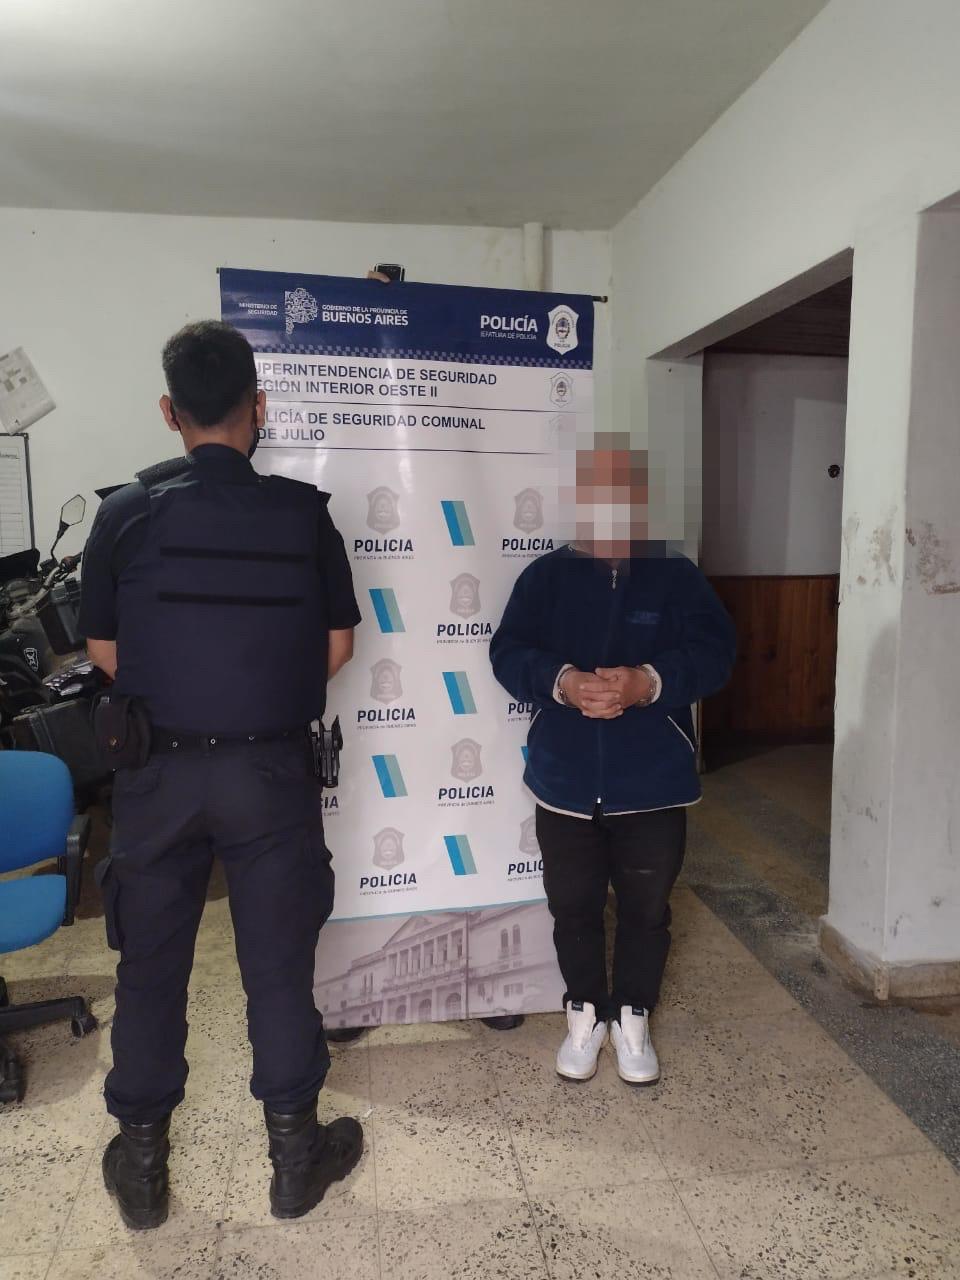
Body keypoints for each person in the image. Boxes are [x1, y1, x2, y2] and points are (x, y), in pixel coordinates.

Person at [79, 321, 363, 1229]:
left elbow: (104, 652)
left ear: (170, 412)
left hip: (157, 778)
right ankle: (295, 1163)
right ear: (258, 406)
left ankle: (143, 1173)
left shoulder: (125, 513)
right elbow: (338, 647)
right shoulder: (304, 515)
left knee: (149, 968)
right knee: (278, 969)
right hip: (270, 774)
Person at [490, 434, 735, 1085]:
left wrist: (648, 682)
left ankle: (631, 1014)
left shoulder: (677, 577)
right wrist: (564, 682)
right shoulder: (544, 577)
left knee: (646, 907)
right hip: (563, 782)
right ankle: (584, 1013)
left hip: (654, 782)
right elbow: (508, 653)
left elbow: (715, 655)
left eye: (623, 492)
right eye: (596, 492)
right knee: (572, 904)